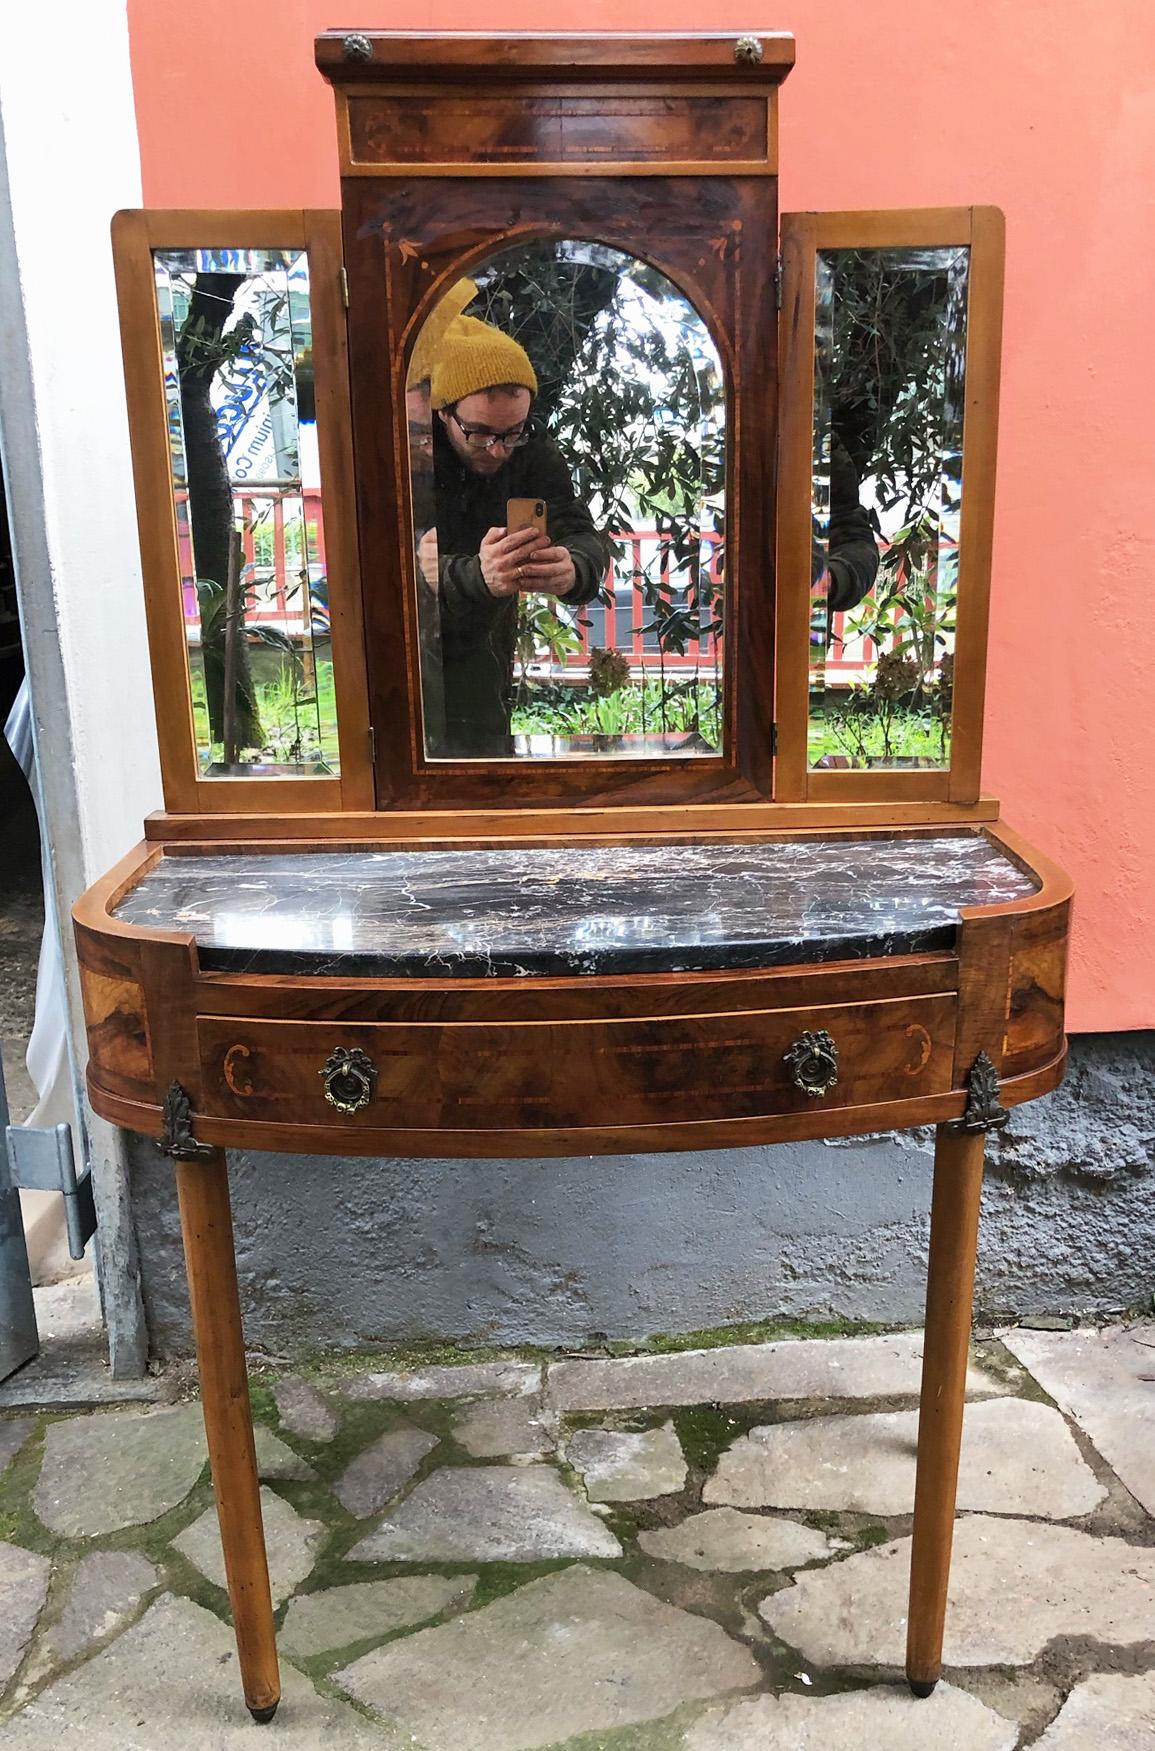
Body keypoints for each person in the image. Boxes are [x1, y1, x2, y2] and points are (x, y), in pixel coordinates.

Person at [422, 314, 611, 756]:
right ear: (443, 411)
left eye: (512, 432)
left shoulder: (533, 449)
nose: (498, 450)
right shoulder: (409, 452)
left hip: (481, 652)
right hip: (406, 654)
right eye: (480, 433)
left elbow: (580, 532)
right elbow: (390, 570)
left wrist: (575, 569)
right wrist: (473, 575)